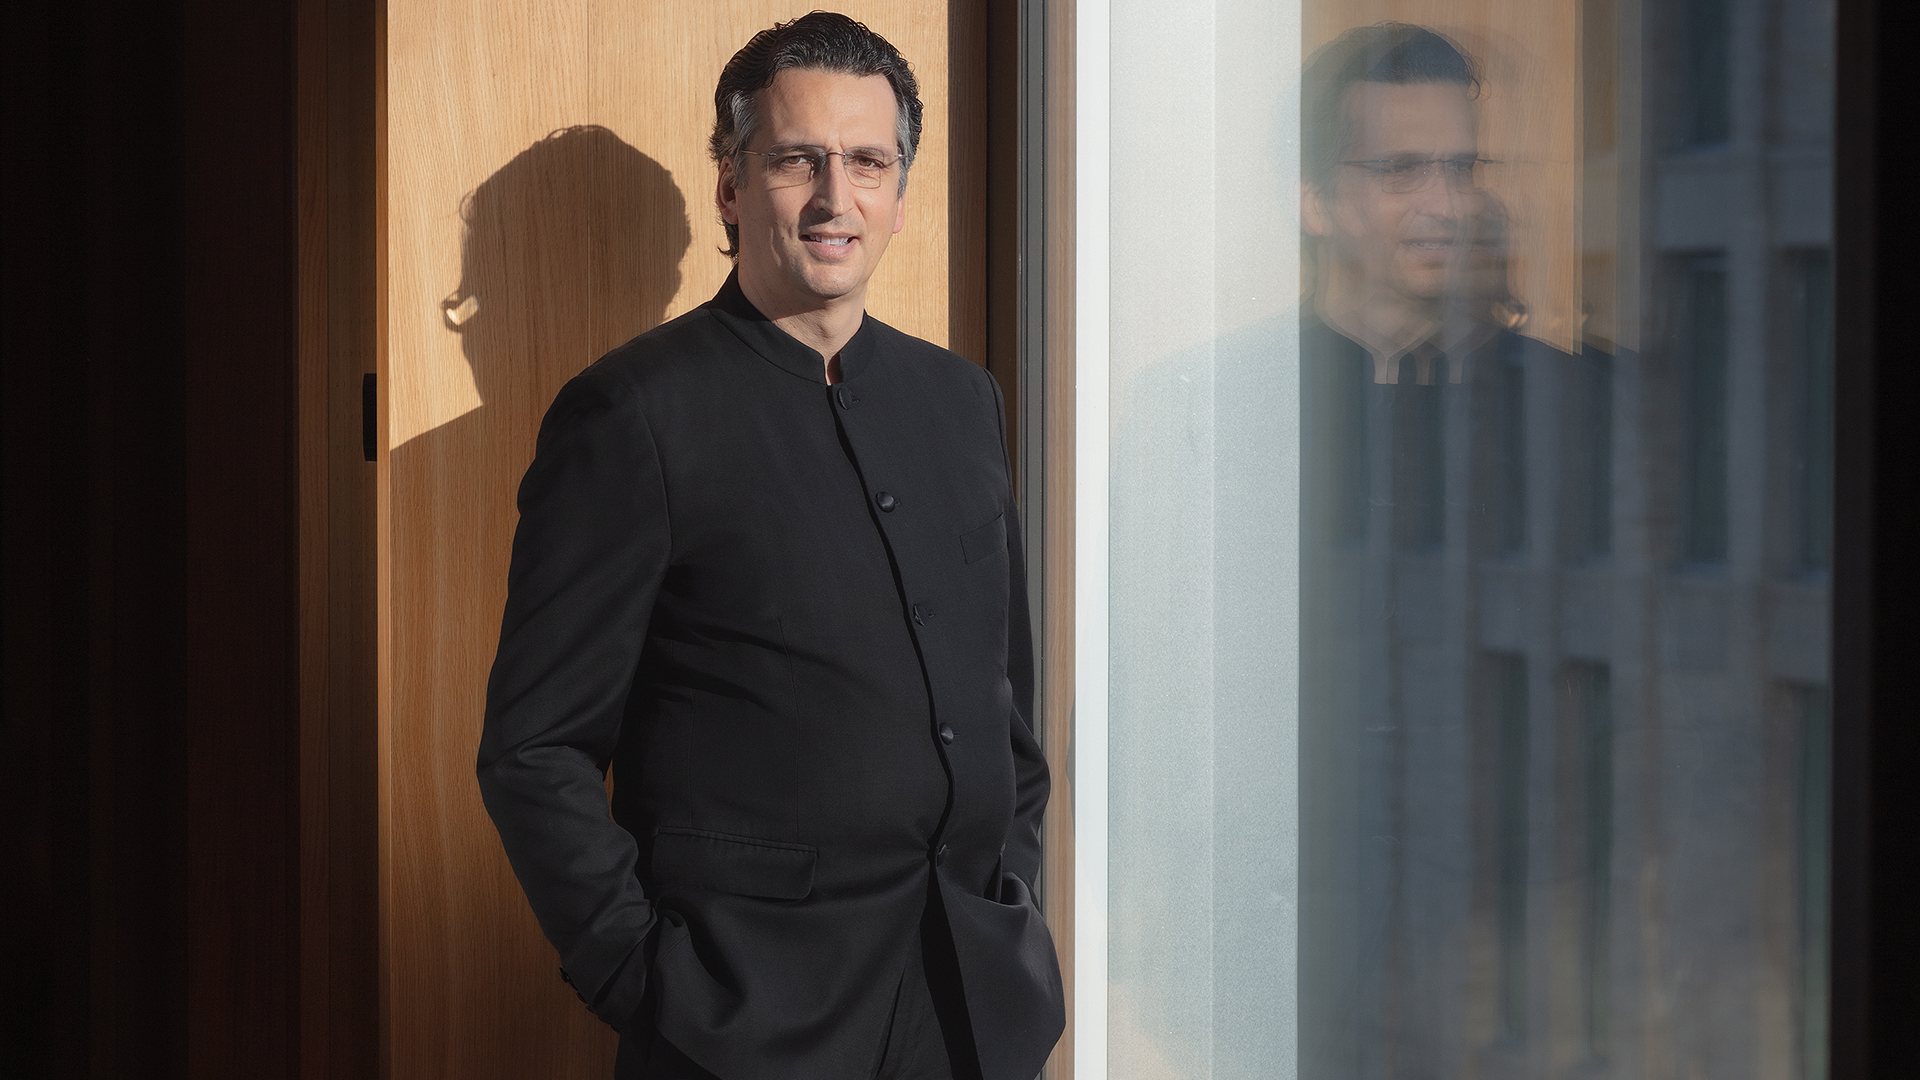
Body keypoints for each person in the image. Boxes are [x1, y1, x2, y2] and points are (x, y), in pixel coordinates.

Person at [475, 13, 1063, 1080]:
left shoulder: (961, 400)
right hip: (744, 1030)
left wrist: (1010, 888)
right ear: (732, 187)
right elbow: (534, 749)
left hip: (971, 1012)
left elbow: (1004, 703)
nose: (837, 197)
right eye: (799, 160)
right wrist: (647, 981)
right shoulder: (633, 415)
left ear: (900, 190)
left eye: (869, 162)